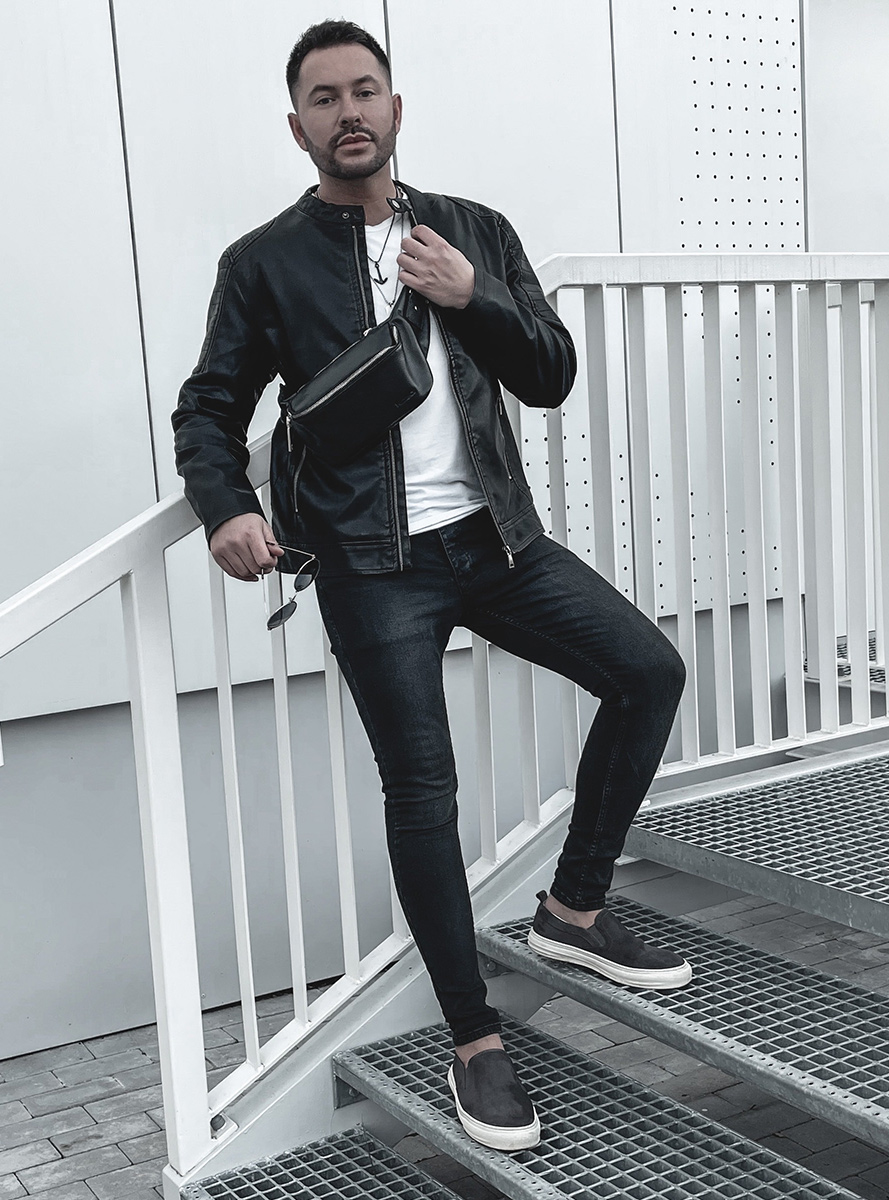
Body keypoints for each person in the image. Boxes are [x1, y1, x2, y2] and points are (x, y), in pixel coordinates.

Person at [173, 18, 690, 1152]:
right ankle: (473, 1038)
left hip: (497, 542)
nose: (348, 111)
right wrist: (226, 508)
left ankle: (572, 908)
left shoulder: (474, 231)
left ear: (396, 109)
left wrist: (471, 294)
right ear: (299, 127)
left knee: (649, 671)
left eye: (365, 91)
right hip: (372, 568)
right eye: (324, 98)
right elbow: (208, 408)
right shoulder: (263, 264)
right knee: (423, 790)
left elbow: (549, 373)